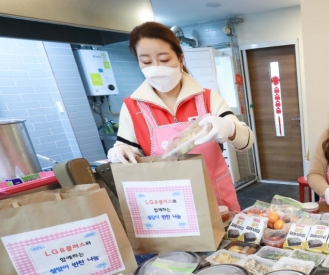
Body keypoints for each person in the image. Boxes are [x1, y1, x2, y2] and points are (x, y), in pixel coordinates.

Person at [107, 22, 254, 212]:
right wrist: (120, 151)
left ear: (180, 59)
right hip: (169, 205)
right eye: (146, 61)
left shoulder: (207, 98)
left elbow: (246, 142)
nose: (156, 67)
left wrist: (230, 128)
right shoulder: (132, 107)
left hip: (217, 198)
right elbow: (133, 157)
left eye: (164, 59)